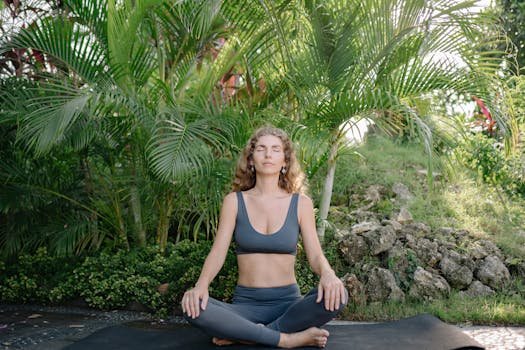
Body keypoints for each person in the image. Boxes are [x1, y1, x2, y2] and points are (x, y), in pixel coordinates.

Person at [181, 126, 348, 348]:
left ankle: (245, 335)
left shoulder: (301, 204)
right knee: (192, 306)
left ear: (285, 161)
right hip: (244, 307)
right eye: (261, 149)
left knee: (339, 294)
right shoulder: (234, 201)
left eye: (276, 149)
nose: (268, 154)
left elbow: (315, 255)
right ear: (251, 160)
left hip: (289, 306)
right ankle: (286, 339)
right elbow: (218, 252)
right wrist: (201, 286)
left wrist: (328, 274)